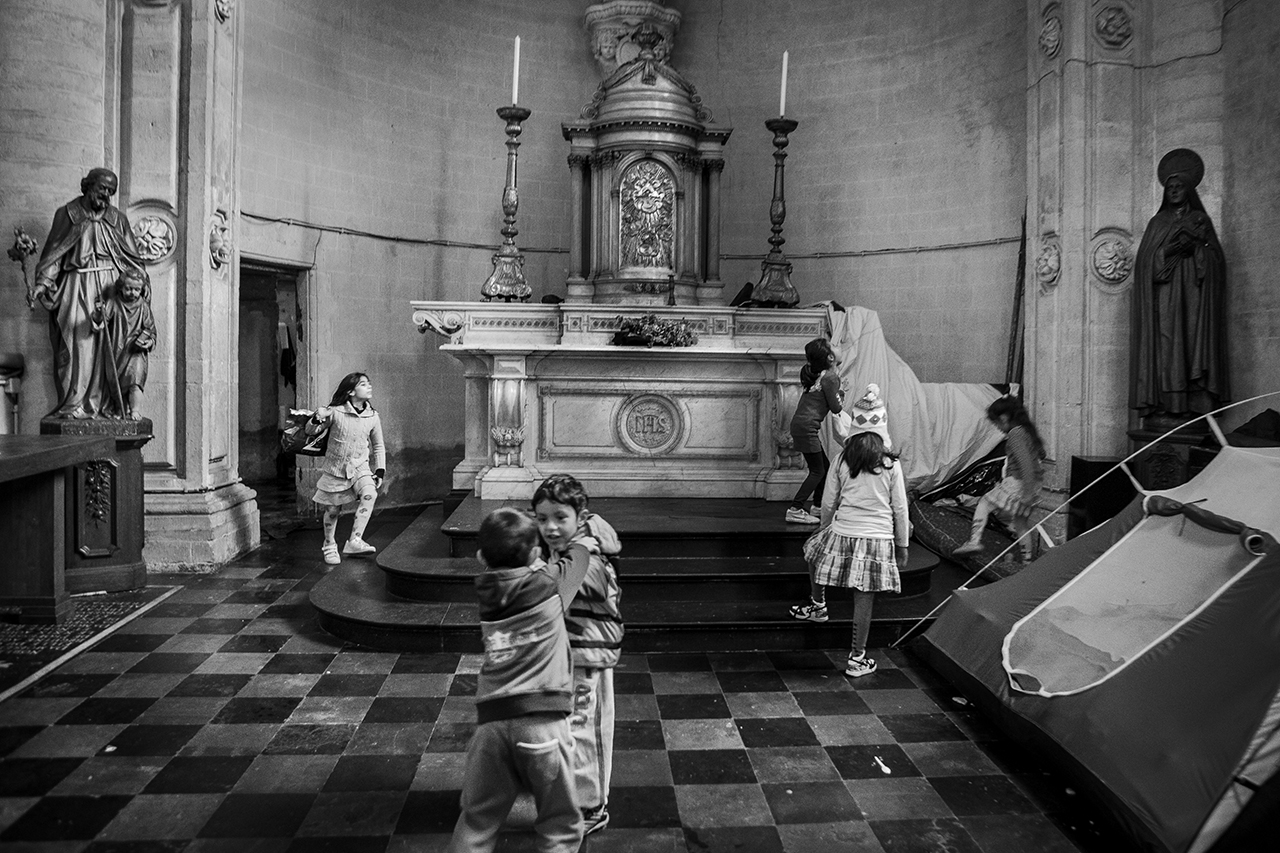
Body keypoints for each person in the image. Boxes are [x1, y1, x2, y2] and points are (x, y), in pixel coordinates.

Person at [448, 507, 597, 853]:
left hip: (491, 726)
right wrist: (573, 534)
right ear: (534, 555)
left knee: (477, 819)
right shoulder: (550, 585)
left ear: (481, 557)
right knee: (559, 823)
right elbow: (581, 555)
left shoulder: (485, 591)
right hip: (544, 726)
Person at [532, 474, 623, 837]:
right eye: (541, 519)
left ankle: (591, 807)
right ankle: (570, 799)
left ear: (580, 516)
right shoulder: (565, 549)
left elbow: (575, 585)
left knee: (587, 733)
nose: (550, 527)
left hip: (588, 659)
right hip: (565, 656)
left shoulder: (589, 557)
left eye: (559, 517)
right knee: (567, 731)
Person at [788, 424, 910, 678]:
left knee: (813, 553)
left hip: (845, 530)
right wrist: (903, 545)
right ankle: (857, 658)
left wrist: (823, 529)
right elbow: (900, 508)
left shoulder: (842, 458)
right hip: (878, 538)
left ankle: (818, 605)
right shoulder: (890, 463)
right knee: (863, 597)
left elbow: (829, 499)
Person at [33, 167, 146, 419]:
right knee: (79, 343)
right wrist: (43, 283)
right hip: (76, 285)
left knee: (109, 348)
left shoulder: (117, 219)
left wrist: (140, 285)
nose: (105, 195)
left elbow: (132, 259)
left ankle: (106, 405)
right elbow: (54, 254)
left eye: (110, 192)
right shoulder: (68, 214)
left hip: (110, 288)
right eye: (102, 189)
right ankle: (75, 403)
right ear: (87, 186)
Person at [1130, 148, 1229, 421]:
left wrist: (1198, 247)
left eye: (1179, 186)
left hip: (1195, 296)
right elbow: (1145, 265)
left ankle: (1196, 402)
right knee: (1167, 347)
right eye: (1170, 187)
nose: (1174, 190)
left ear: (1188, 190)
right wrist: (1172, 249)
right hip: (1164, 299)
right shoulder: (1157, 223)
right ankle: (1167, 403)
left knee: (1192, 342)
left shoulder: (1200, 220)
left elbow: (1216, 262)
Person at [952, 396, 1045, 562]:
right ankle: (1027, 561)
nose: (998, 428)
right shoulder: (1027, 433)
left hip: (1019, 482)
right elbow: (1039, 457)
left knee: (985, 503)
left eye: (996, 423)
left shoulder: (1015, 434)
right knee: (1021, 523)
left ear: (1003, 418)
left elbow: (1026, 465)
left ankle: (974, 541)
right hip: (1035, 484)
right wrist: (1031, 491)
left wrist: (1027, 493)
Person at [309, 372, 385, 565]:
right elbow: (311, 431)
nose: (369, 387)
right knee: (333, 510)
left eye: (369, 383)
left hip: (360, 467)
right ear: (351, 391)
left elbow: (378, 446)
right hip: (336, 468)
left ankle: (355, 540)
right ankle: (329, 544)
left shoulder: (373, 416)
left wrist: (380, 470)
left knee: (370, 494)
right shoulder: (335, 412)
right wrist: (318, 416)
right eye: (363, 384)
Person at [787, 338, 844, 524]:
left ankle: (818, 506)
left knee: (824, 468)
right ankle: (795, 509)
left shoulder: (822, 376)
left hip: (802, 427)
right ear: (830, 357)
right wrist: (841, 393)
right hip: (807, 428)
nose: (838, 347)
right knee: (817, 471)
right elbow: (836, 408)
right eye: (834, 346)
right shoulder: (830, 377)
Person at [91, 268, 156, 420]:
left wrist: (148, 342)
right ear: (121, 287)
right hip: (117, 349)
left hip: (135, 351)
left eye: (136, 289)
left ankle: (134, 410)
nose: (132, 292)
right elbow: (102, 323)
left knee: (135, 381)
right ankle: (120, 409)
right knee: (116, 383)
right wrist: (98, 313)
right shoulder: (113, 303)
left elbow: (150, 329)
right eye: (128, 288)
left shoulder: (143, 307)